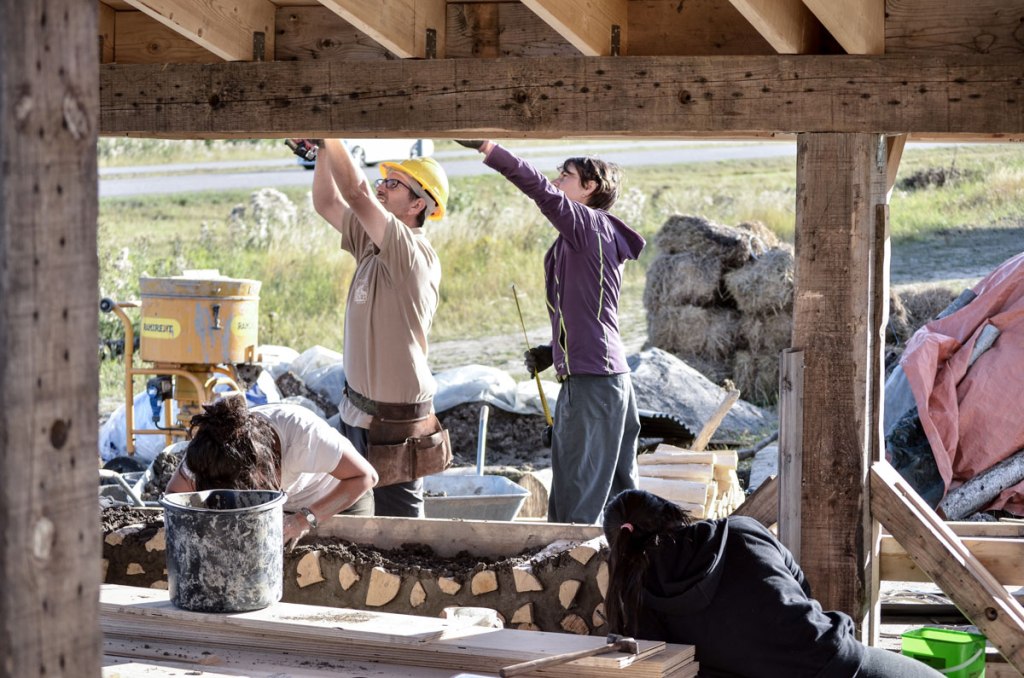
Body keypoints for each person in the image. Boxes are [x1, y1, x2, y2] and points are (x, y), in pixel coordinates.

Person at [456, 139, 644, 524]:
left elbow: (537, 188)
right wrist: (553, 351)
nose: (557, 181)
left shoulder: (586, 223)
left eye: (566, 175)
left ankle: (569, 575)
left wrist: (488, 148)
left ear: (589, 188)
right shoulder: (589, 234)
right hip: (606, 379)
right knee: (619, 498)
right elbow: (588, 312)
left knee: (577, 499)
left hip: (593, 383)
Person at [602, 489, 945, 678]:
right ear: (671, 512)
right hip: (836, 668)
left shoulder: (630, 601)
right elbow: (802, 589)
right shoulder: (739, 533)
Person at [308, 139, 452, 518]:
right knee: (357, 514)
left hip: (396, 419)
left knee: (402, 525)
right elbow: (327, 203)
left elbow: (355, 193)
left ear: (418, 204)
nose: (381, 186)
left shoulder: (410, 251)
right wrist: (321, 151)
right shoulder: (372, 247)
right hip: (357, 409)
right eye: (385, 180)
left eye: (395, 184)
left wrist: (329, 135)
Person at [165, 396, 378, 546]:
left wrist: (304, 520)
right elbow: (175, 497)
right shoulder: (210, 453)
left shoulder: (304, 435)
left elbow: (365, 476)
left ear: (265, 462)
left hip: (340, 495)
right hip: (283, 505)